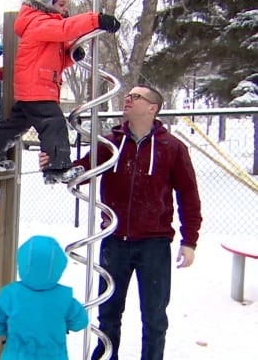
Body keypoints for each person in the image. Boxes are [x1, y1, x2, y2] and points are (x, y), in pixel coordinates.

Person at [41, 85, 203, 360]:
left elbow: (188, 195)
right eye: (127, 95)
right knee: (109, 312)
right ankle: (105, 357)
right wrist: (55, 165)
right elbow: (82, 170)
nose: (128, 99)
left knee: (154, 316)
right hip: (115, 241)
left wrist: (190, 241)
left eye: (136, 97)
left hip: (154, 243)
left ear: (153, 108)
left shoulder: (171, 147)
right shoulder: (111, 144)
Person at [0, 0, 121, 184]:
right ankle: (56, 166)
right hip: (37, 87)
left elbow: (55, 60)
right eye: (61, 4)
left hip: (35, 86)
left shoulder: (44, 26)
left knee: (15, 125)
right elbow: (65, 29)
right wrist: (96, 20)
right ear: (47, 2)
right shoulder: (39, 22)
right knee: (53, 123)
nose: (65, 9)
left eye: (66, 5)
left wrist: (71, 56)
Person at [0, 235, 88, 359]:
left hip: (17, 353)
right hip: (53, 354)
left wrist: (5, 329)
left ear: (22, 263)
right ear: (59, 267)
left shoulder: (11, 295)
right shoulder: (64, 298)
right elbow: (80, 321)